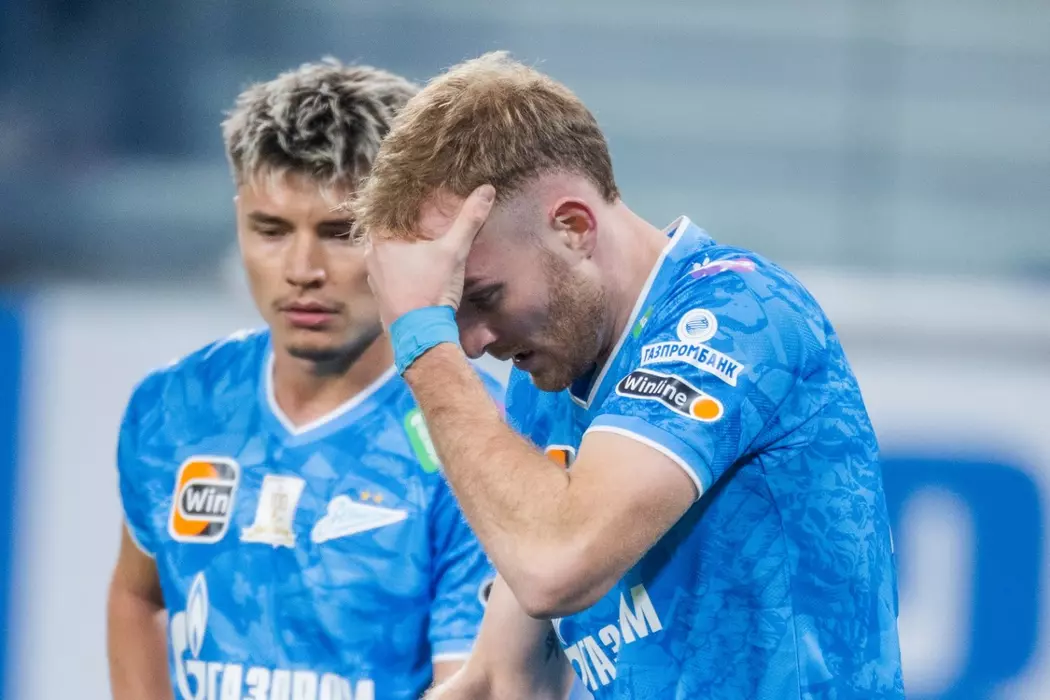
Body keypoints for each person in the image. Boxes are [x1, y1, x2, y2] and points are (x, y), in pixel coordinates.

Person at [353, 52, 905, 699]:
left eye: (484, 297)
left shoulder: (738, 316)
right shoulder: (545, 381)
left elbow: (556, 564)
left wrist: (424, 343)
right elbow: (504, 683)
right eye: (452, 316)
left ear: (573, 228)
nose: (471, 345)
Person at [106, 58, 501, 700]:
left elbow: (477, 686)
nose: (301, 269)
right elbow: (137, 596)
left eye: (340, 233)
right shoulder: (173, 406)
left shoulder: (478, 441)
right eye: (270, 230)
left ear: (413, 232)